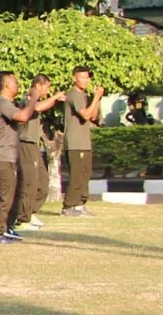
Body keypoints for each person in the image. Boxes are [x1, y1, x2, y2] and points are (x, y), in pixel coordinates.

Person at [0, 72, 32, 244]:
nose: (18, 84)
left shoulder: (8, 104)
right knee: (5, 196)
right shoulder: (2, 102)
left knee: (12, 194)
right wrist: (34, 98)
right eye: (15, 82)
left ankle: (5, 227)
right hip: (2, 156)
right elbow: (22, 117)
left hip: (8, 156)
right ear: (6, 85)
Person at [18, 76, 64, 231]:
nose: (48, 91)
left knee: (42, 182)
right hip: (25, 144)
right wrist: (56, 97)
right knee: (30, 182)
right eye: (46, 87)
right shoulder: (28, 99)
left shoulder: (37, 100)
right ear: (38, 85)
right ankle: (23, 218)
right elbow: (37, 107)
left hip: (34, 145)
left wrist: (54, 99)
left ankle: (30, 212)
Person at [61, 67, 104, 217]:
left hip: (84, 141)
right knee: (77, 175)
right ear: (74, 78)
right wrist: (97, 98)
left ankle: (80, 205)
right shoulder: (74, 95)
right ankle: (69, 206)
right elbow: (85, 115)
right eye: (82, 77)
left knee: (85, 174)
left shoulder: (84, 96)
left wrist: (95, 99)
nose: (86, 81)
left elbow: (93, 116)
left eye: (87, 78)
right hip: (75, 142)